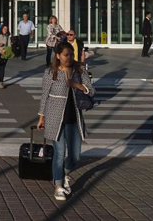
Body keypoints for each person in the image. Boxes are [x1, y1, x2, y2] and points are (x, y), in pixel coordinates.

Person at [37, 42, 95, 201]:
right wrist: (41, 117)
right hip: (55, 118)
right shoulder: (51, 72)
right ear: (58, 56)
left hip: (74, 117)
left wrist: (77, 85)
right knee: (59, 152)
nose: (68, 58)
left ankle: (64, 173)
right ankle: (58, 186)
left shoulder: (80, 70)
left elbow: (92, 90)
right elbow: (44, 95)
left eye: (70, 54)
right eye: (65, 55)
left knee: (75, 156)